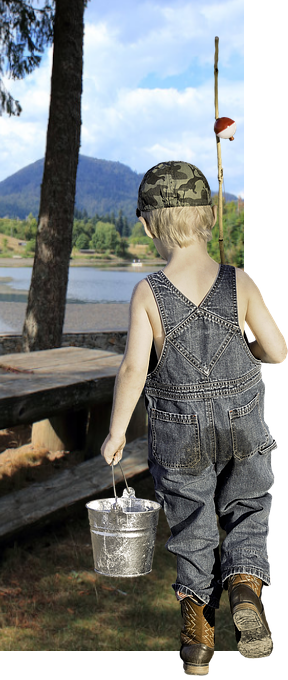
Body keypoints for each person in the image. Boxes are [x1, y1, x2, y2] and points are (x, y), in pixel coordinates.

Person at [101, 161, 285, 673]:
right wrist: (247, 346)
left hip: (179, 432)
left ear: (146, 226)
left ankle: (198, 639)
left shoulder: (148, 292)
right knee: (249, 507)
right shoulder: (239, 281)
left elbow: (134, 368)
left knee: (192, 525)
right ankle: (245, 586)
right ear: (211, 217)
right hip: (243, 424)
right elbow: (278, 352)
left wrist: (117, 431)